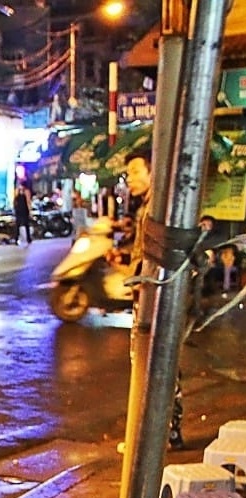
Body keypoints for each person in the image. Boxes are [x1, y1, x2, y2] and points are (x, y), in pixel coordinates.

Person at [120, 145, 184, 450]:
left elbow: (153, 256)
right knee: (151, 361)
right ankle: (156, 434)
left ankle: (162, 436)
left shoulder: (155, 210)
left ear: (152, 172)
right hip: (146, 295)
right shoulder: (146, 207)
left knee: (157, 361)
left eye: (135, 172)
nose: (129, 179)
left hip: (153, 299)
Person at [13, 181, 32, 247]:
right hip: (23, 210)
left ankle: (17, 239)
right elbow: (28, 202)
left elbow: (15, 201)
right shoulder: (26, 191)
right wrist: (30, 211)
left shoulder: (17, 191)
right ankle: (28, 239)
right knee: (25, 225)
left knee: (18, 226)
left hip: (19, 210)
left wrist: (15, 209)